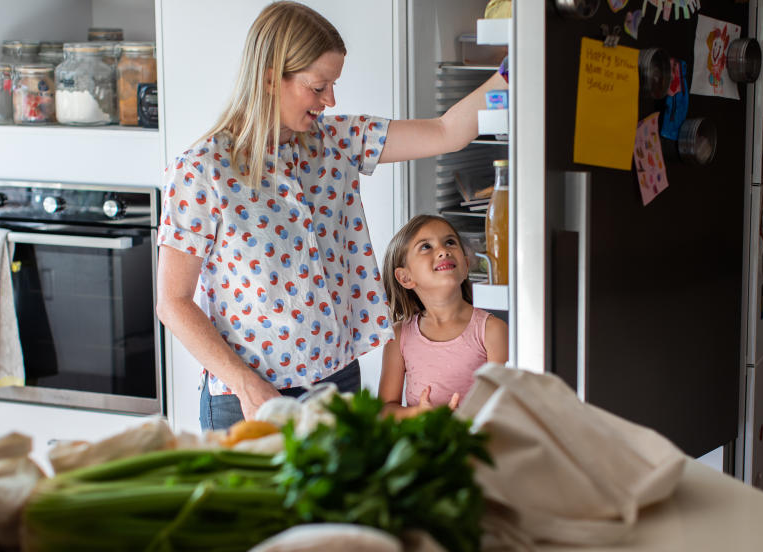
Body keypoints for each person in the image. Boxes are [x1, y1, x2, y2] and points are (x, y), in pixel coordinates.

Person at [154, 1, 508, 430]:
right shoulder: (202, 170)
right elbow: (172, 303)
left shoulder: (338, 141)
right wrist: (247, 386)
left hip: (336, 384)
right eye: (319, 86)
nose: (331, 100)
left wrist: (513, 69)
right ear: (270, 78)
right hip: (248, 397)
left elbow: (447, 132)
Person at [378, 215, 508, 417]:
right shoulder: (398, 336)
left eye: (450, 242)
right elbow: (385, 411)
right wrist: (419, 414)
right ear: (405, 277)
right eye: (426, 247)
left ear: (465, 266)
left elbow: (504, 405)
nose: (443, 250)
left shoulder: (492, 330)